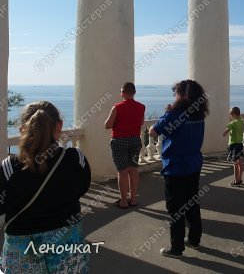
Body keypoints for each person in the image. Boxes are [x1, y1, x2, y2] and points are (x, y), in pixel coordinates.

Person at [0, 101, 91, 273]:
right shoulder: (74, 159)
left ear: (22, 129)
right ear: (59, 126)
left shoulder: (9, 167)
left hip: (21, 247)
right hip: (67, 244)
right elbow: (82, 188)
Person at [149, 80, 209, 258]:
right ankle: (194, 239)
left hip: (175, 167)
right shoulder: (199, 114)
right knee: (192, 203)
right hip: (193, 164)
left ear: (183, 96)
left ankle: (176, 248)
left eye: (176, 93)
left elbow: (153, 131)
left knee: (175, 208)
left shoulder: (175, 114)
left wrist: (167, 113)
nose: (174, 96)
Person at [105, 82, 145, 208]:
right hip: (135, 141)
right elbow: (141, 122)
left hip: (120, 141)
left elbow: (108, 125)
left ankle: (123, 201)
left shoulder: (117, 107)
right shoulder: (141, 107)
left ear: (122, 92)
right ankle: (133, 199)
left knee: (122, 171)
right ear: (134, 92)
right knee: (133, 169)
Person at [223, 106, 244, 186]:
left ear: (234, 114)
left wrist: (227, 130)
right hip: (240, 144)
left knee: (235, 164)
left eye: (231, 115)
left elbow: (224, 133)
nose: (231, 117)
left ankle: (236, 181)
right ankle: (240, 178)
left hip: (234, 145)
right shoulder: (242, 121)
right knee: (240, 163)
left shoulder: (232, 123)